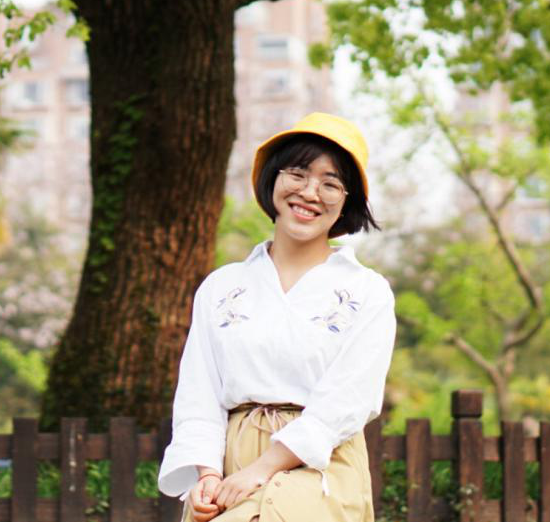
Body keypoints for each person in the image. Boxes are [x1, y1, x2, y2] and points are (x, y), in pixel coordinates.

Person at [157, 113, 396, 522]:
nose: (310, 192)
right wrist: (208, 475)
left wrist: (262, 470)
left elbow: (348, 399)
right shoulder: (222, 286)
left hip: (321, 467)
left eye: (330, 183)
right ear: (273, 179)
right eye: (298, 174)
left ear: (347, 201)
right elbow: (199, 393)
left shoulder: (367, 291)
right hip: (229, 465)